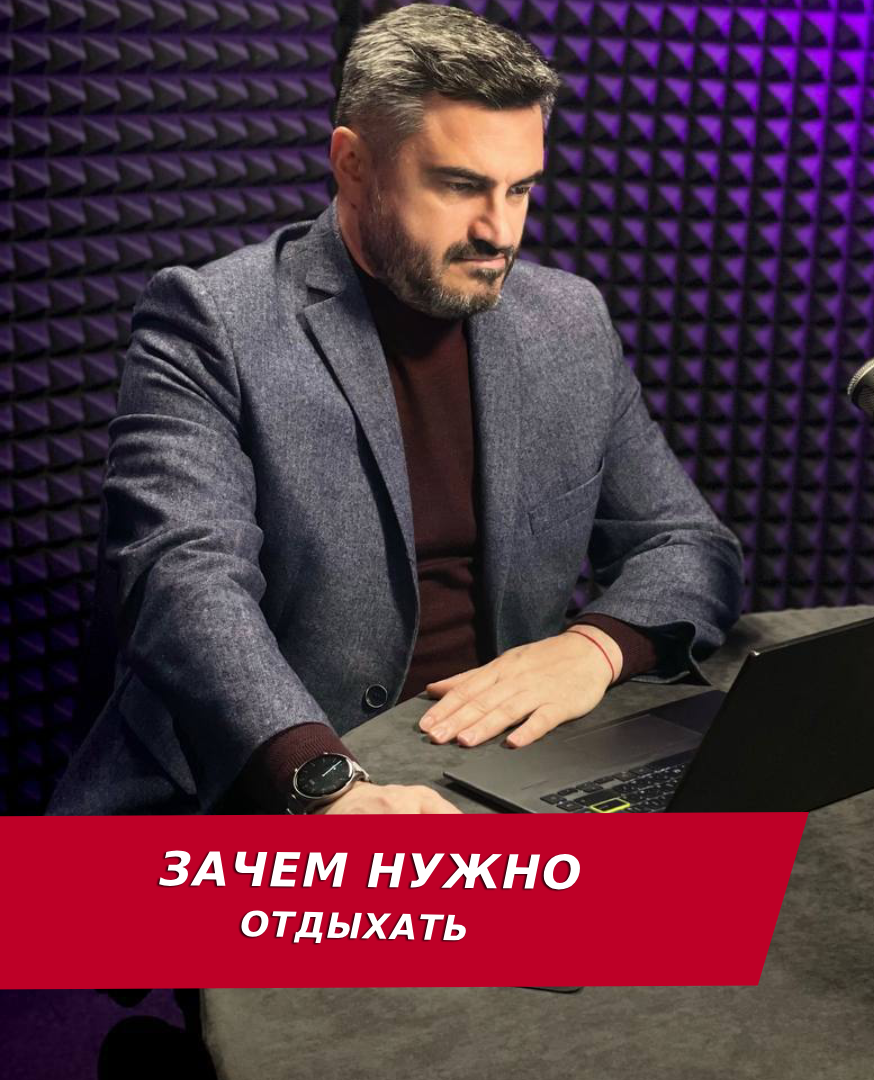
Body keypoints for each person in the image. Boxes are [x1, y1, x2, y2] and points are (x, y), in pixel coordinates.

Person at [48, 3, 742, 817]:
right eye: (460, 186)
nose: (499, 231)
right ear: (353, 164)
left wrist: (595, 648)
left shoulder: (569, 321)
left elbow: (690, 545)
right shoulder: (211, 320)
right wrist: (325, 784)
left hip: (498, 769)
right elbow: (182, 582)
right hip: (262, 787)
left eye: (520, 189)